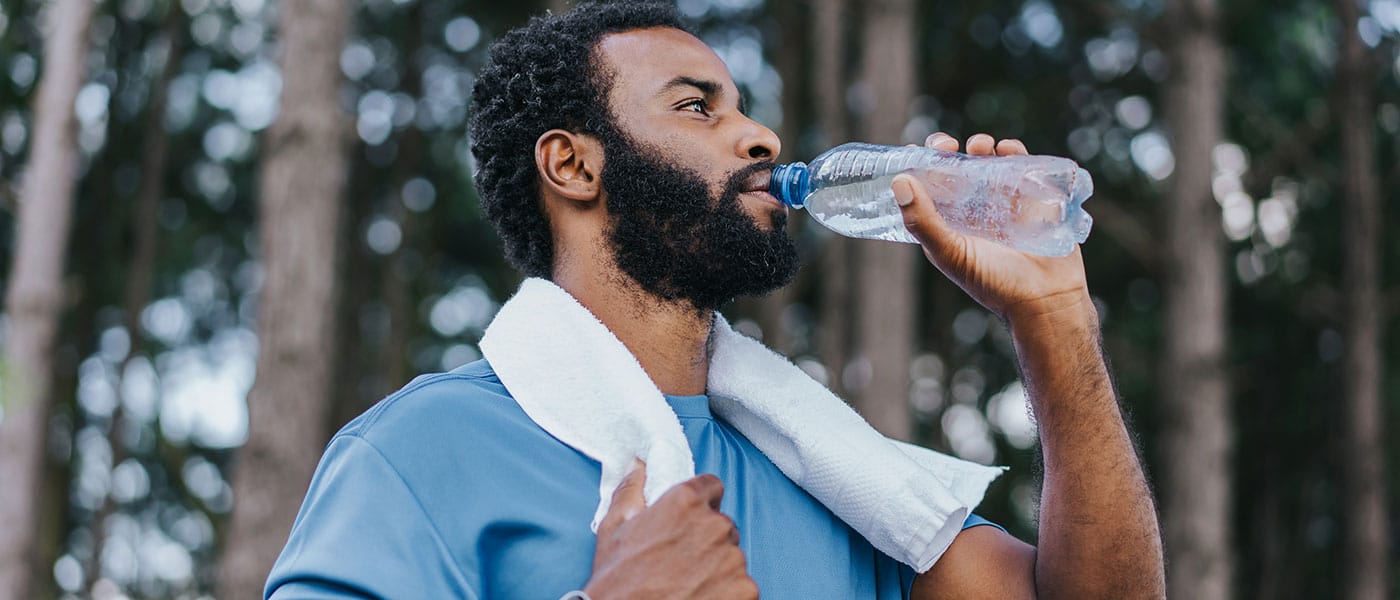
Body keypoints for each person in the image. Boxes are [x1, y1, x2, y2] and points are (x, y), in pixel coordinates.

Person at [264, 3, 1165, 599]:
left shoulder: (836, 478)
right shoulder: (423, 451)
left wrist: (1055, 323)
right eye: (698, 107)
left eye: (743, 106)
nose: (760, 135)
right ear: (572, 165)